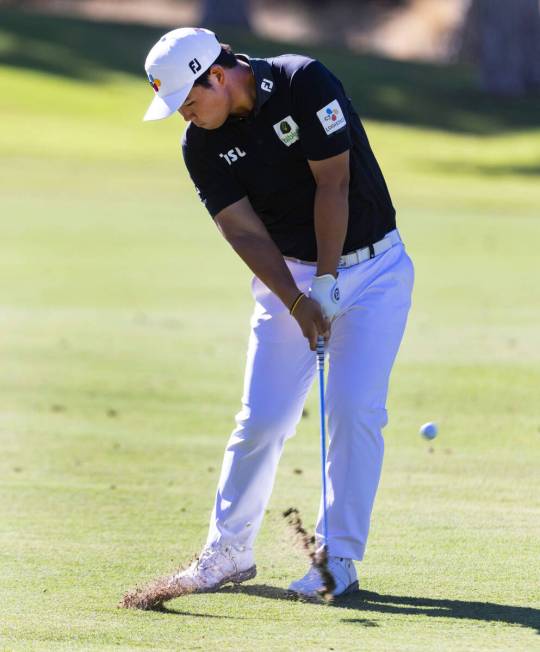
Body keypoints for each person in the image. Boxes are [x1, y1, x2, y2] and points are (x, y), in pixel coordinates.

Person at [143, 27, 414, 598]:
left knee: (354, 410)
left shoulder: (302, 82)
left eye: (189, 102)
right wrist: (297, 300)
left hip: (373, 271)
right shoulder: (200, 145)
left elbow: (333, 185)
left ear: (217, 75)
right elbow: (240, 229)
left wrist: (328, 281)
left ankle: (336, 560)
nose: (185, 117)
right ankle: (227, 553)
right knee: (262, 418)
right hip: (288, 275)